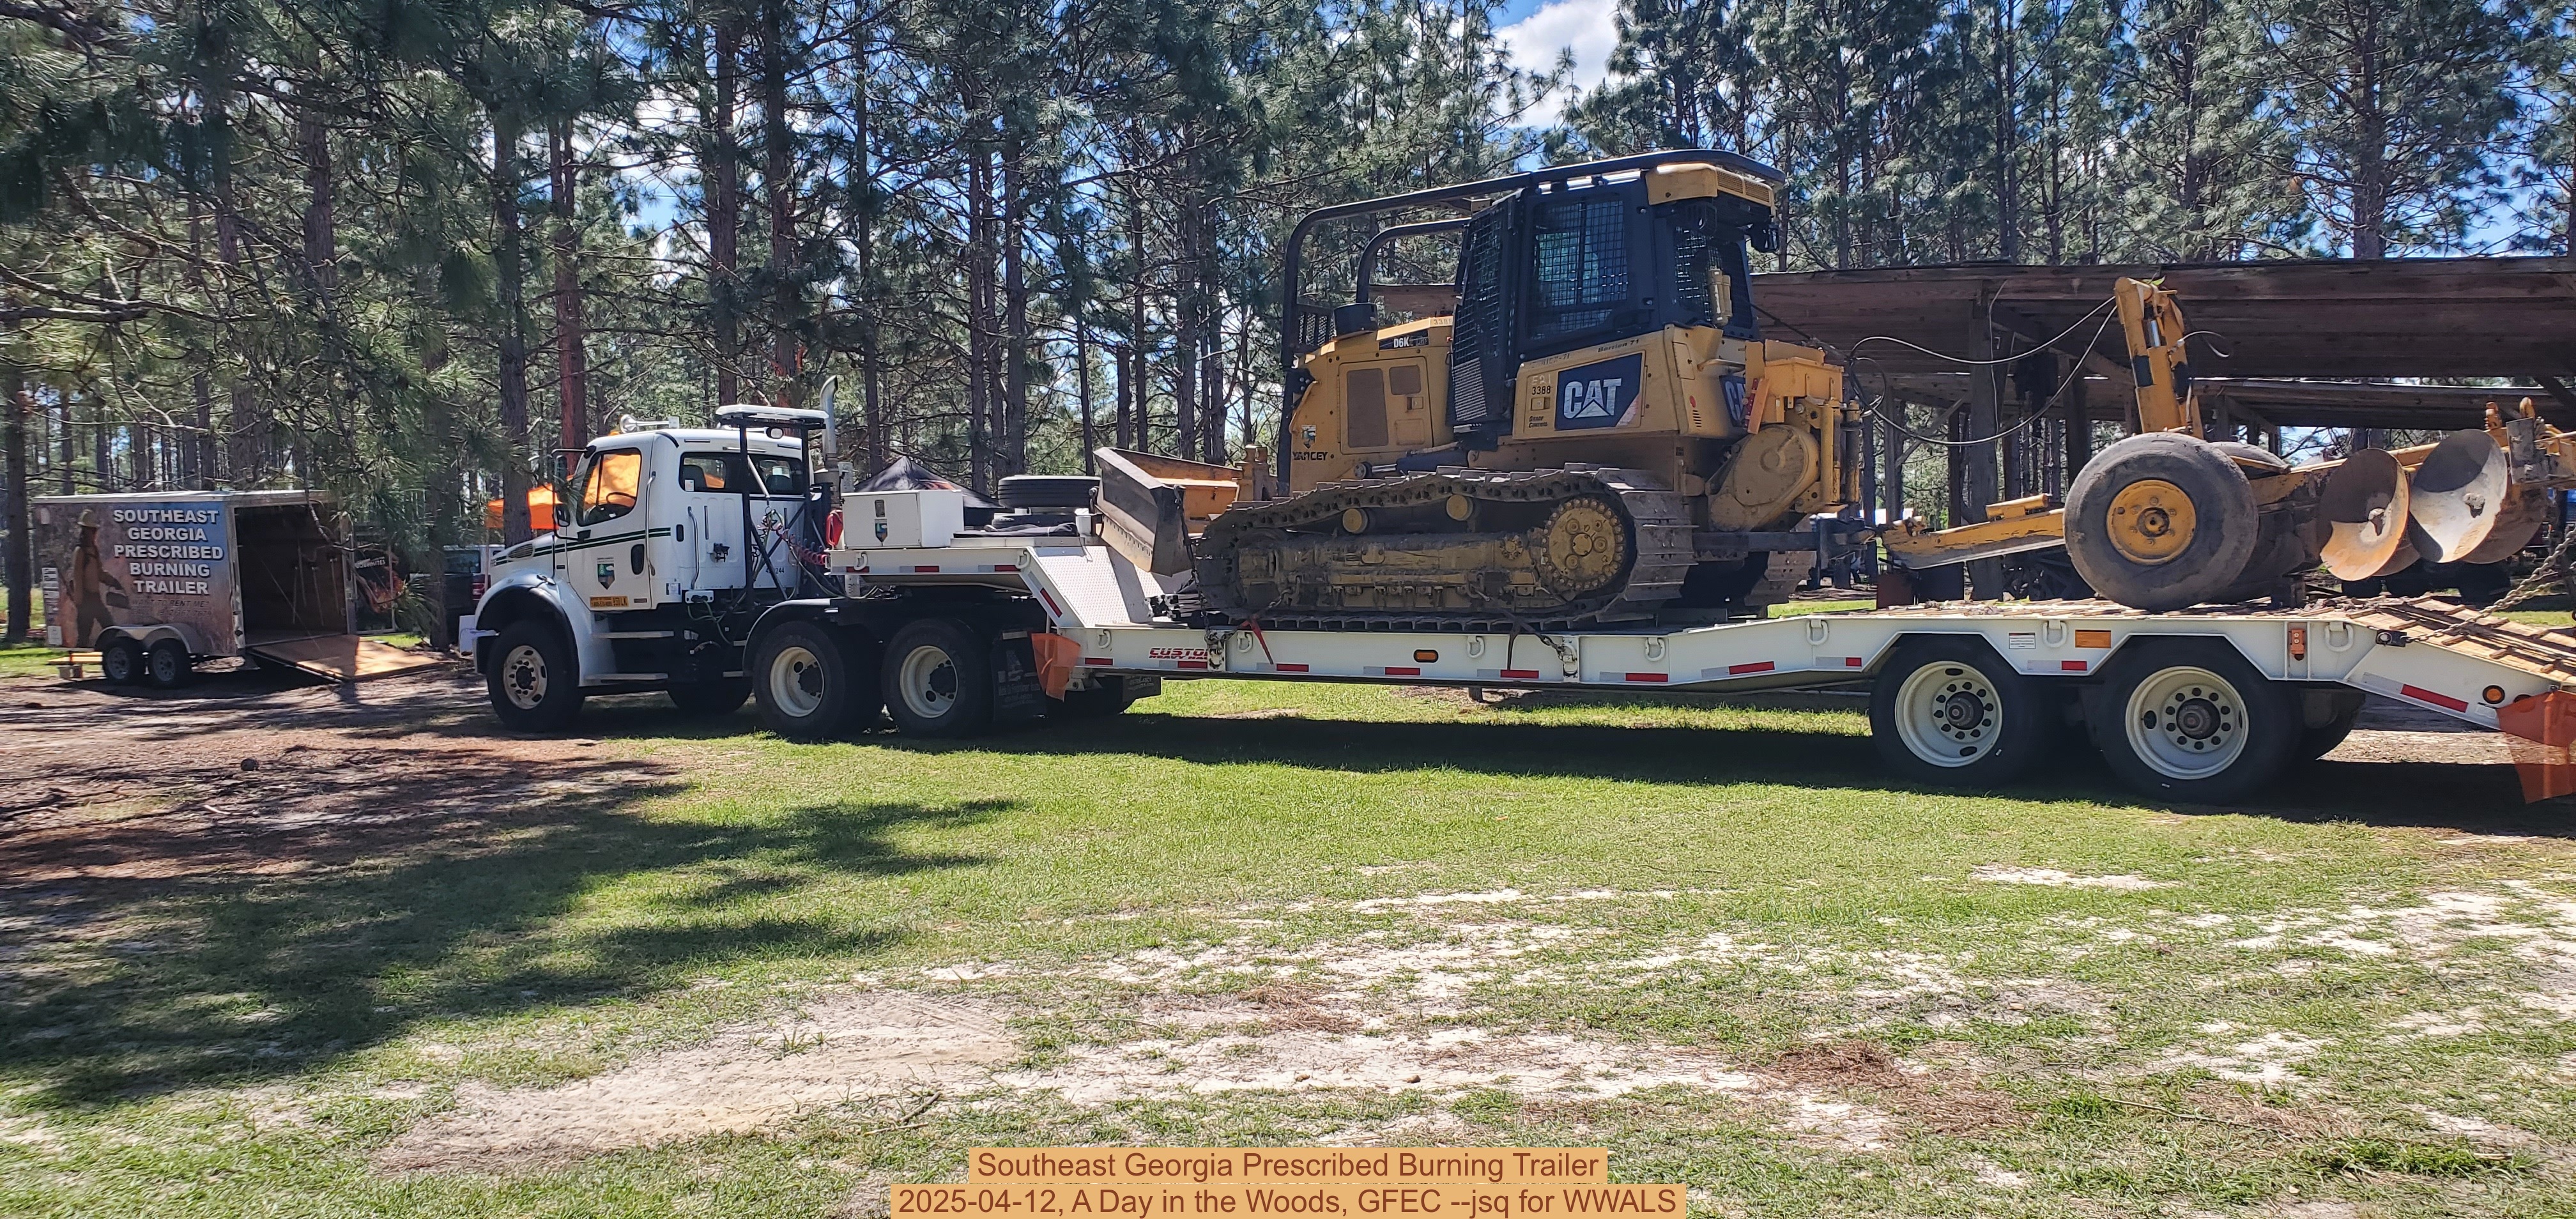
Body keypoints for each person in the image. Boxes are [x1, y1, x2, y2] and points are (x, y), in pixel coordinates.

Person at [66, 509, 125, 649]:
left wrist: (112, 582)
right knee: (84, 635)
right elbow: (77, 576)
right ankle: (77, 666)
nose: (93, 534)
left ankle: (111, 652)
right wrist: (79, 600)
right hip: (85, 600)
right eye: (90, 531)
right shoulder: (80, 551)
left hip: (95, 598)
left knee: (109, 627)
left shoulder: (93, 550)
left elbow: (99, 572)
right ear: (84, 531)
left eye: (94, 531)